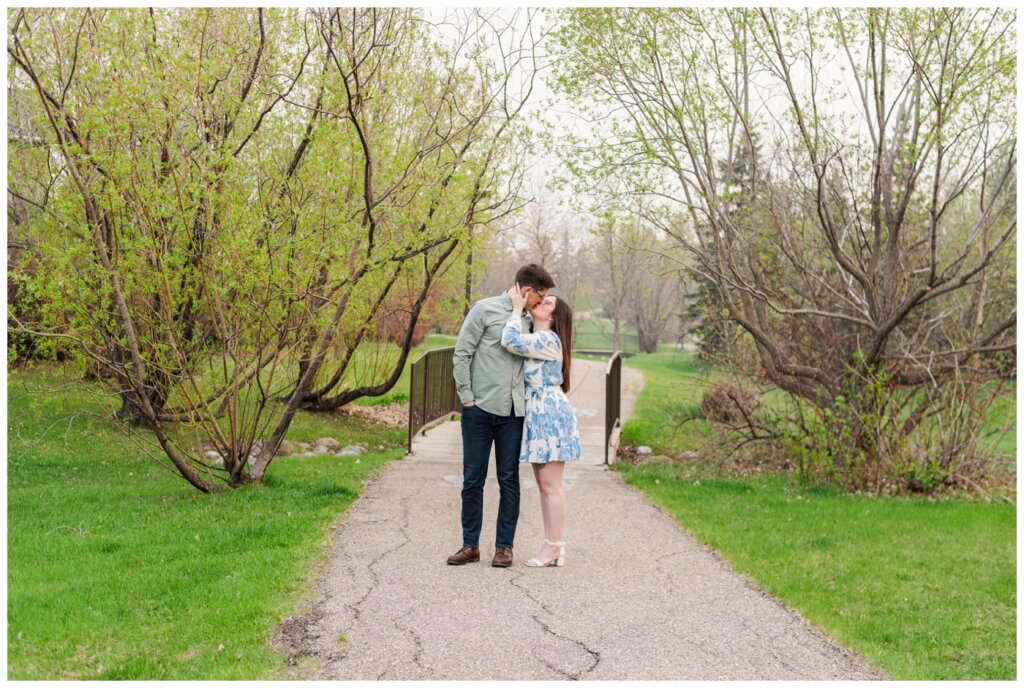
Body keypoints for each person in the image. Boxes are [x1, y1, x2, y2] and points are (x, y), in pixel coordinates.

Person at [448, 264, 556, 567]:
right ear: (527, 290)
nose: (542, 302)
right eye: (540, 296)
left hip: (514, 413)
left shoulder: (533, 321)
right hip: (479, 409)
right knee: (473, 480)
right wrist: (467, 398)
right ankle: (470, 545)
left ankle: (504, 547)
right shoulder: (484, 310)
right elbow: (462, 353)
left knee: (509, 480)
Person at [500, 284, 581, 567]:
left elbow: (510, 340)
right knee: (543, 484)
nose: (542, 301)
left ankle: (555, 547)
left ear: (554, 317)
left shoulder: (548, 339)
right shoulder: (539, 336)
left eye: (549, 303)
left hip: (550, 412)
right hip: (538, 412)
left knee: (551, 485)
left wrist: (515, 309)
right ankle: (553, 545)